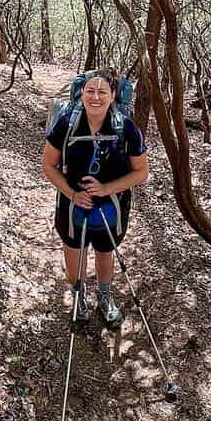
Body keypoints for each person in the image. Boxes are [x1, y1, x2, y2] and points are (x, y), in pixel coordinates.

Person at [42, 69, 149, 329]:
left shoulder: (127, 128)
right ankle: (79, 296)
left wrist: (106, 189)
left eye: (102, 92)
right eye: (90, 91)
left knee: (104, 251)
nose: (95, 97)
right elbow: (48, 165)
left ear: (113, 95)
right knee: (74, 252)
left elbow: (141, 172)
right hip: (72, 205)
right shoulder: (67, 123)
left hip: (111, 205)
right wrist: (73, 194)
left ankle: (104, 296)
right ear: (82, 94)